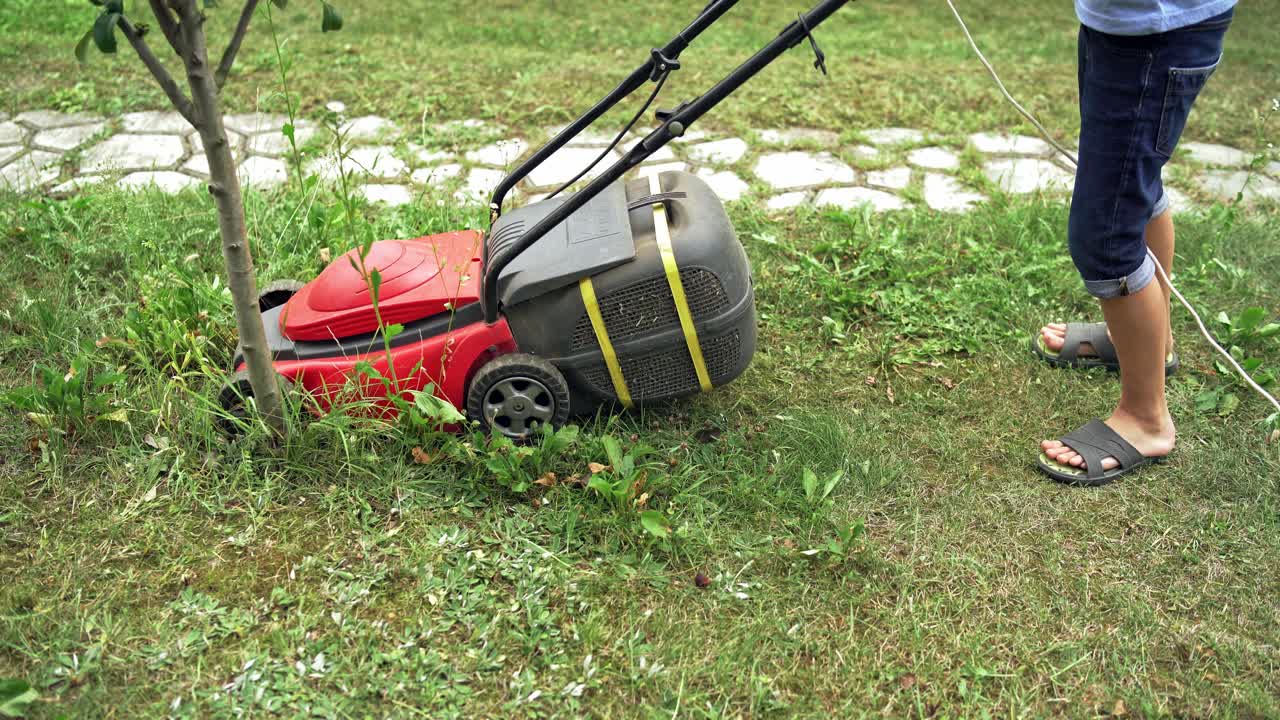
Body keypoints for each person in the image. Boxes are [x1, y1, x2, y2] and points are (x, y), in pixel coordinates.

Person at [1033, 0, 1236, 485]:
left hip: (1153, 35)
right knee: (1133, 187)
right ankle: (1151, 346)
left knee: (1107, 233)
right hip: (1125, 25)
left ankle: (1146, 420)